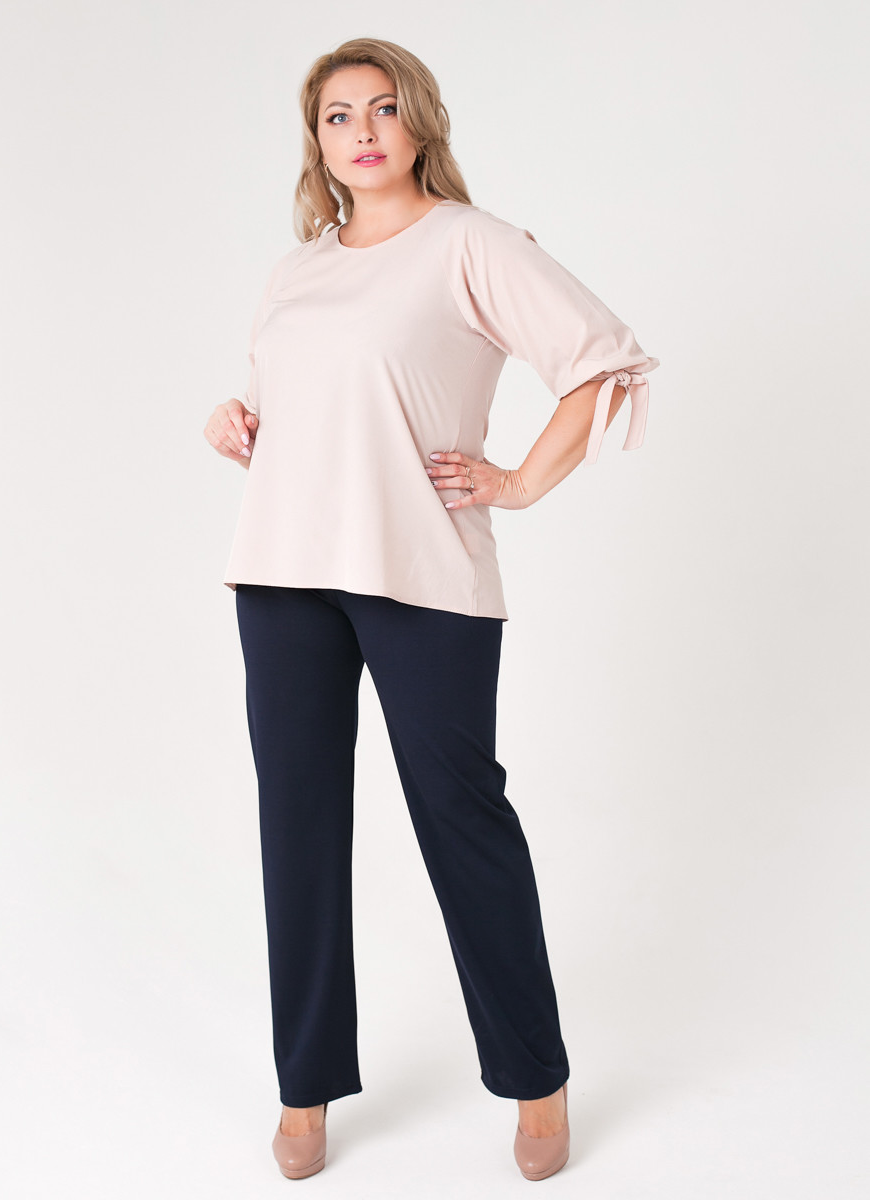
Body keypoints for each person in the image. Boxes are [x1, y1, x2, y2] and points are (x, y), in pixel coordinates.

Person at [203, 36, 658, 1183]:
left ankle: (536, 1078)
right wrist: (234, 420)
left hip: (425, 576)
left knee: (462, 819)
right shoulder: (295, 270)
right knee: (296, 827)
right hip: (285, 576)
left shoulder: (471, 243)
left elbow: (599, 359)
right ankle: (304, 1085)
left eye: (382, 108)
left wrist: (519, 481)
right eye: (337, 115)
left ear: (419, 122)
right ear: (316, 142)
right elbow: (288, 402)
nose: (361, 132)